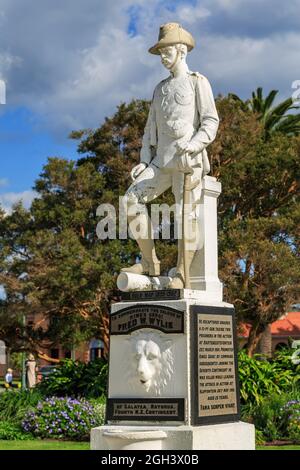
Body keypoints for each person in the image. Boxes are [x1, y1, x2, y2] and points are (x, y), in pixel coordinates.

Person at [121, 22, 219, 288]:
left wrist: (195, 144)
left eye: (167, 52)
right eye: (161, 53)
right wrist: (143, 161)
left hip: (188, 162)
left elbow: (210, 121)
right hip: (160, 162)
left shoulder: (198, 82)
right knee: (130, 200)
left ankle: (181, 272)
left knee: (185, 216)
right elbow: (148, 130)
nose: (163, 58)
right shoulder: (160, 88)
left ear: (181, 51)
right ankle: (149, 261)